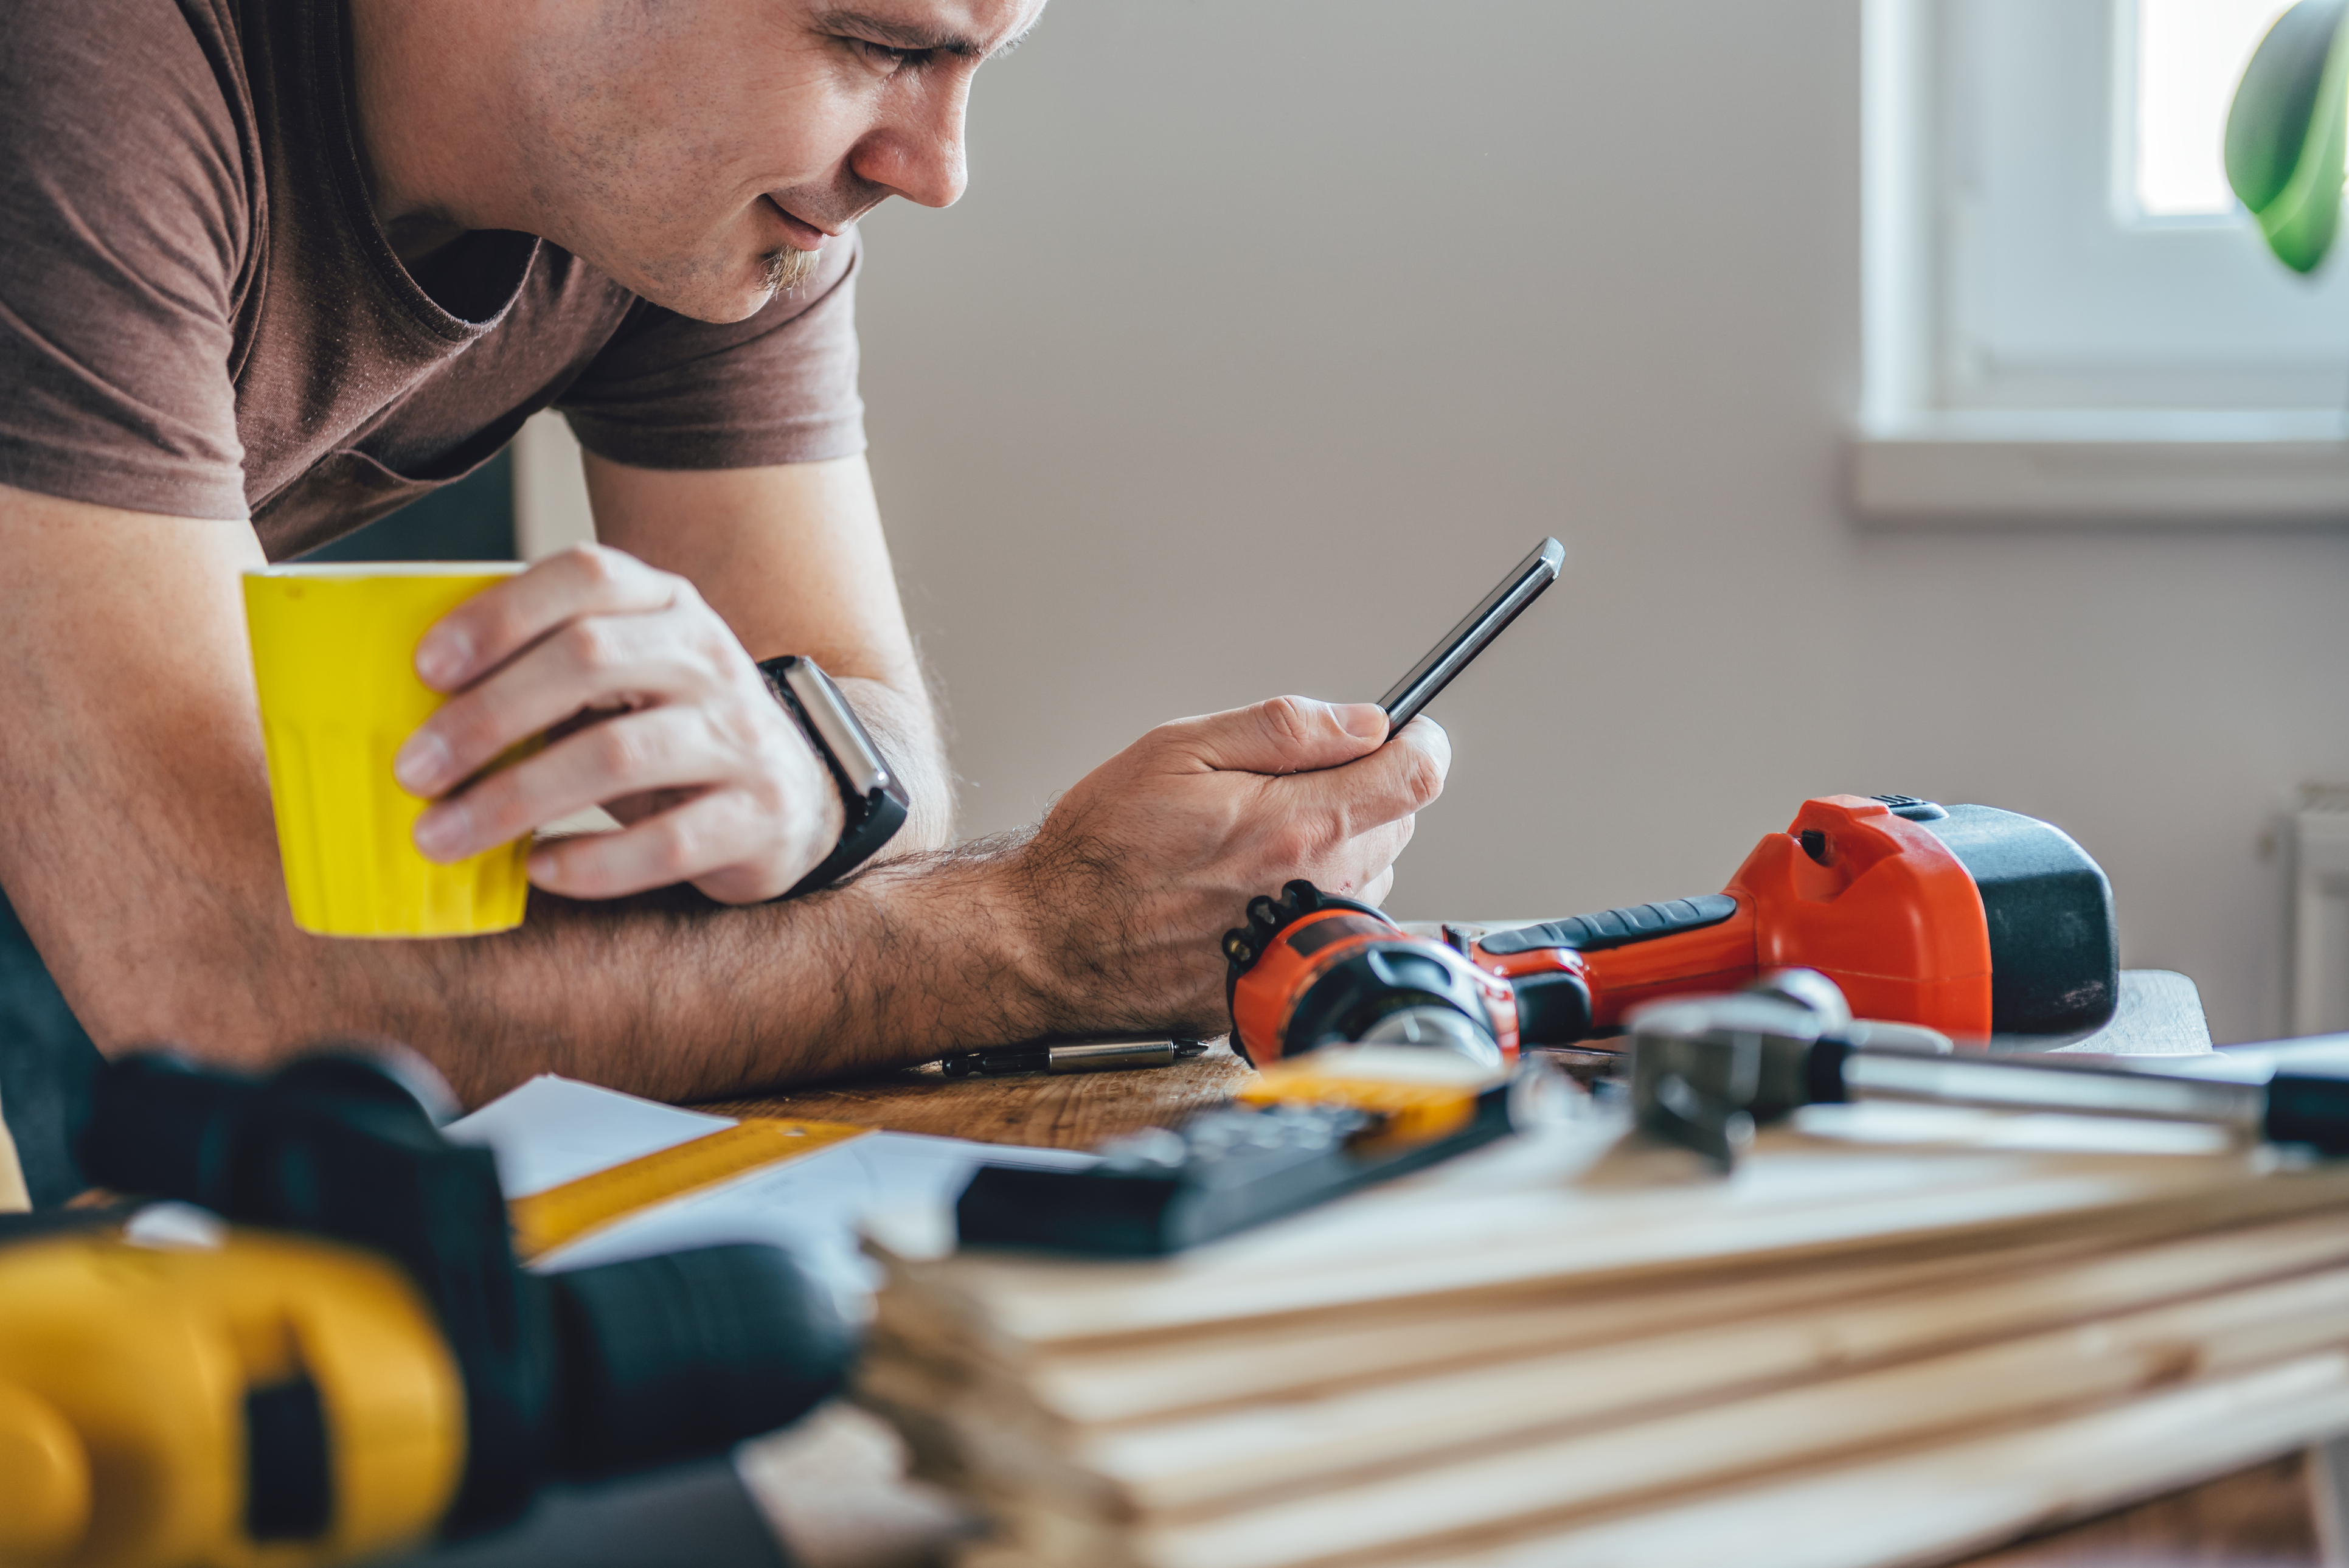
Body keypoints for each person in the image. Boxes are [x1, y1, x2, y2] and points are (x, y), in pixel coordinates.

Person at [0, 0, 1448, 1202]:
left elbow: (868, 732)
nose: (934, 168)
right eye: (884, 45)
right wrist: (1036, 936)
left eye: (977, 65)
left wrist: (798, 766)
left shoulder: (694, 209)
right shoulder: (71, 72)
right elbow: (232, 990)